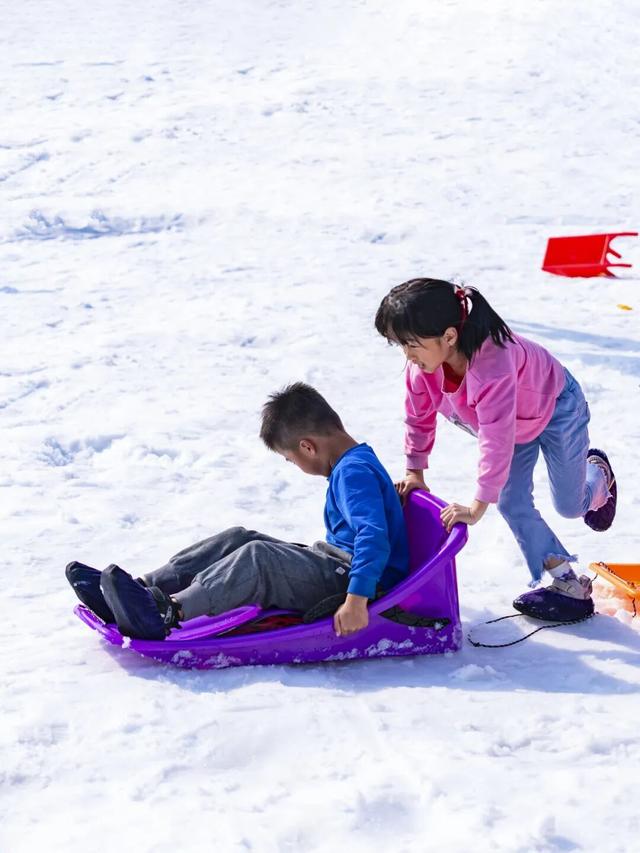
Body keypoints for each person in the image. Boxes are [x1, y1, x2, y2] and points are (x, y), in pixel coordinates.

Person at [66, 382, 409, 641]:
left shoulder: (352, 472)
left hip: (351, 580)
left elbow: (372, 536)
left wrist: (357, 600)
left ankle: (166, 610)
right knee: (239, 538)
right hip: (334, 565)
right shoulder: (354, 466)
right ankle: (139, 589)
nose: (295, 465)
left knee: (259, 559)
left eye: (291, 459)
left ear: (308, 446)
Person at [374, 277, 616, 622]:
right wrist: (415, 471)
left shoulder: (493, 365)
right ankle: (568, 584)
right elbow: (418, 418)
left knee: (571, 505)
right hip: (513, 426)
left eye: (413, 345)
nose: (408, 356)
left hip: (556, 409)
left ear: (449, 336)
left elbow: (495, 438)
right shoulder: (422, 370)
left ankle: (597, 476)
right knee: (511, 501)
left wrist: (476, 507)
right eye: (401, 346)